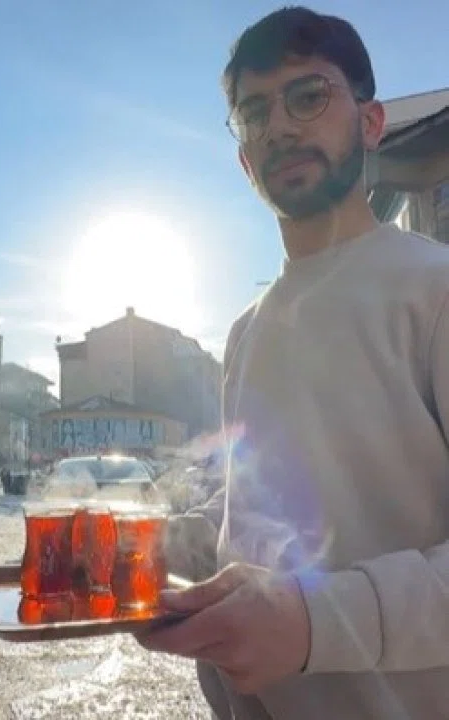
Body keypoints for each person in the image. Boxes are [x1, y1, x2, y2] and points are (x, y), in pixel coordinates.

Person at [136, 8, 449, 720]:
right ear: (246, 161)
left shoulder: (434, 291)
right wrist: (152, 542)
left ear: (370, 124)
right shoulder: (246, 332)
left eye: (309, 97)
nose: (280, 126)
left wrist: (313, 623)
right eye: (255, 112)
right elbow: (262, 515)